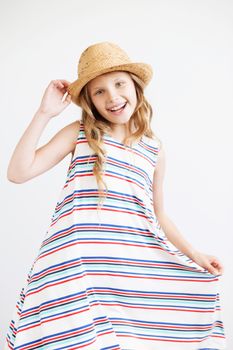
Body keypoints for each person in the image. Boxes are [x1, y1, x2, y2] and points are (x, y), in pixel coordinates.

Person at [5, 42, 226, 350]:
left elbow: (159, 213)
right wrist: (44, 114)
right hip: (76, 265)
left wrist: (195, 254)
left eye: (119, 84)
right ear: (90, 102)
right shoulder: (81, 133)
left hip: (125, 268)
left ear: (136, 88)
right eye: (99, 91)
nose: (112, 97)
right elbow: (18, 172)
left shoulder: (154, 149)